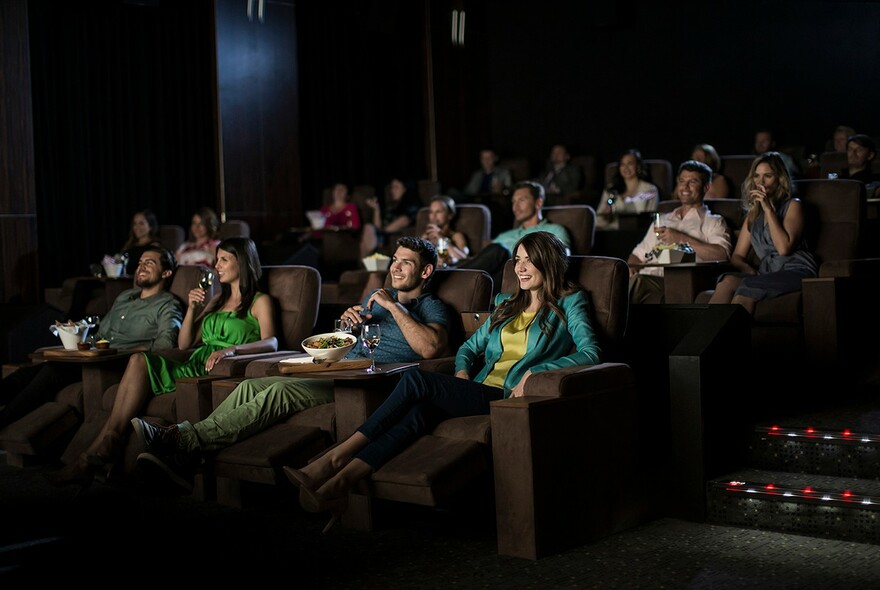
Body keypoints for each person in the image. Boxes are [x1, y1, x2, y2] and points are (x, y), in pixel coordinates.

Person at [282, 231, 601, 533]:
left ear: (549, 262)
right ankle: (339, 485)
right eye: (517, 260)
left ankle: (333, 460)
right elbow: (468, 349)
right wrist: (462, 374)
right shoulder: (506, 303)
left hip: (508, 395)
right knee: (417, 415)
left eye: (529, 260)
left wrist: (536, 373)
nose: (520, 268)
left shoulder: (570, 302)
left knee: (416, 379)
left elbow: (591, 353)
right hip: (478, 387)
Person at [131, 236, 450, 492]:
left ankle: (181, 439)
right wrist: (348, 325)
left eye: (405, 263)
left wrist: (393, 307)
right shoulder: (375, 300)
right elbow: (349, 342)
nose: (395, 268)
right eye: (394, 260)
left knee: (276, 393)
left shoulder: (431, 306)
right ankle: (189, 456)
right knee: (251, 386)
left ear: (424, 272)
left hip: (372, 381)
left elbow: (430, 348)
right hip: (338, 366)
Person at [48, 237, 277, 486]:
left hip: (219, 367)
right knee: (138, 360)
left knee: (140, 361)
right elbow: (185, 344)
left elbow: (272, 342)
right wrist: (192, 308)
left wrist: (232, 350)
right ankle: (108, 443)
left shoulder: (259, 301)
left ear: (241, 263)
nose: (216, 265)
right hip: (195, 360)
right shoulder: (216, 301)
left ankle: (91, 457)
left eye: (223, 259)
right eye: (217, 259)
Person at [0, 246, 184, 430]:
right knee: (28, 372)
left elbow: (165, 344)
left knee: (53, 372)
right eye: (140, 263)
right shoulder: (124, 297)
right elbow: (100, 335)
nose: (141, 267)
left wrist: (122, 350)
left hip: (116, 363)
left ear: (166, 272)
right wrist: (75, 335)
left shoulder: (168, 304)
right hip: (92, 357)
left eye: (149, 263)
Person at [708, 152, 818, 314]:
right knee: (727, 280)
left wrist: (768, 209)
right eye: (757, 176)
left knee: (747, 288)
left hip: (795, 269)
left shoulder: (793, 205)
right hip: (768, 272)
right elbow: (737, 257)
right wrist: (749, 270)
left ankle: (731, 338)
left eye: (768, 176)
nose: (761, 182)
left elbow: (783, 248)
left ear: (779, 179)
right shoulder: (753, 215)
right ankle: (705, 336)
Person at [627, 161, 733, 304]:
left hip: (675, 281)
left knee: (635, 283)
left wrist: (681, 238)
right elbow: (637, 255)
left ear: (706, 187)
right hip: (645, 277)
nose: (685, 187)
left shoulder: (713, 221)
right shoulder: (663, 219)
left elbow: (722, 254)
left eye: (693, 181)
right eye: (682, 181)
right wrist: (631, 267)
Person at [459, 180, 571, 290]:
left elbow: (563, 257)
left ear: (538, 203)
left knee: (500, 249)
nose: (515, 207)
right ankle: (459, 280)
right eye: (513, 202)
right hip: (490, 280)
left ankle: (455, 278)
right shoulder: (505, 235)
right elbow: (483, 261)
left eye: (521, 200)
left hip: (520, 276)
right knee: (497, 249)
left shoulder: (554, 230)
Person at [283, 182, 362, 269]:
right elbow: (316, 227)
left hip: (341, 240)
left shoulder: (351, 207)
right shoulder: (324, 209)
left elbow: (354, 226)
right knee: (294, 242)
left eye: (342, 189)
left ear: (348, 195)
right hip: (319, 239)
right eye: (336, 189)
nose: (339, 191)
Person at [595, 149, 660, 230]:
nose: (625, 168)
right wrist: (606, 216)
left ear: (638, 166)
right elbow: (598, 220)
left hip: (640, 232)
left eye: (630, 164)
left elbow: (652, 218)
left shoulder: (650, 189)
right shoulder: (611, 190)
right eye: (622, 164)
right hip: (613, 233)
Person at [363, 178, 422, 254]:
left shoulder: (413, 205)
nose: (392, 191)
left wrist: (380, 233)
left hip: (395, 235)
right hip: (381, 235)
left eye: (396, 187)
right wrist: (376, 209)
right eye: (392, 187)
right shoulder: (391, 206)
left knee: (369, 232)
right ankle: (364, 264)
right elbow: (378, 226)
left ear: (405, 189)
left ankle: (365, 263)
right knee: (368, 228)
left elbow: (404, 221)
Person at [420, 195, 469, 266]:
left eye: (438, 211)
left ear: (450, 215)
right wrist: (422, 241)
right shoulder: (426, 236)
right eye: (431, 212)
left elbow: (464, 259)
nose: (433, 216)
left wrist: (441, 238)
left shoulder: (456, 236)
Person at [118, 209, 161, 276]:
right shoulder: (129, 245)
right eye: (135, 224)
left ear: (150, 226)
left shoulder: (154, 247)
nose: (137, 227)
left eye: (141, 223)